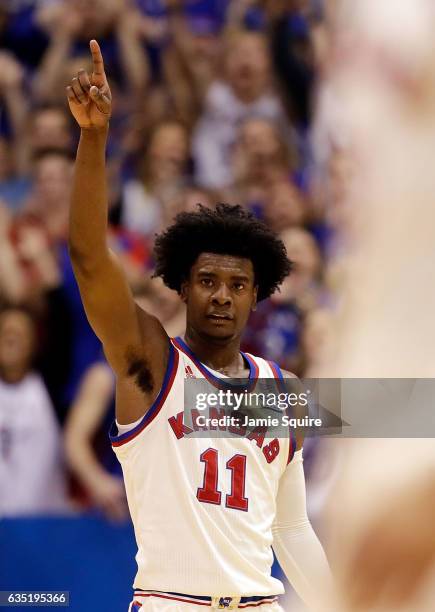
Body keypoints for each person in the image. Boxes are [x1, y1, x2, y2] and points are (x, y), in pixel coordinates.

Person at [66, 40, 331, 612]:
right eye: (208, 280)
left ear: (256, 296)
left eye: (238, 285)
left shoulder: (283, 393)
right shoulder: (151, 364)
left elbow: (291, 531)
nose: (221, 296)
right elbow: (89, 259)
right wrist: (93, 139)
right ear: (182, 287)